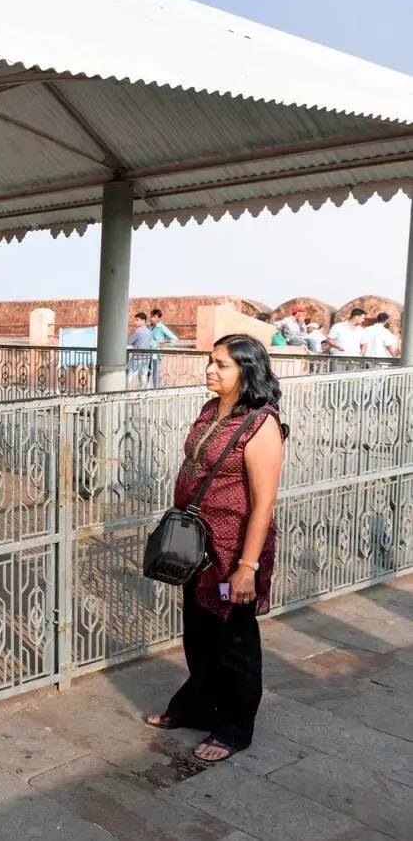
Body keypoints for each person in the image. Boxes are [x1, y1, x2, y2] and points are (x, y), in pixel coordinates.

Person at [145, 334, 287, 762]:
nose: (210, 369)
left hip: (233, 558)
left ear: (247, 370)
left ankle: (235, 727)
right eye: (211, 361)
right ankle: (198, 707)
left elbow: (263, 505)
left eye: (221, 364)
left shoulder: (262, 425)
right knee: (200, 632)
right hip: (197, 552)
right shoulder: (211, 410)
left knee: (234, 638)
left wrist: (246, 567)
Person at [148, 308, 181, 388]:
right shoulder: (149, 327)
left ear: (159, 318)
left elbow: (174, 338)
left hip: (156, 354)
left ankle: (156, 390)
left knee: (155, 372)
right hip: (147, 353)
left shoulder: (162, 327)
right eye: (152, 316)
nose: (152, 318)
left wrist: (162, 343)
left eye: (154, 317)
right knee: (146, 372)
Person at [126, 312, 153, 389]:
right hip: (146, 356)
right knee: (143, 377)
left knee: (129, 375)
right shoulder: (149, 332)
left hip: (137, 356)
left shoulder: (138, 331)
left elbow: (129, 342)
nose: (135, 322)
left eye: (137, 320)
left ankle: (124, 391)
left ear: (143, 321)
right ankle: (142, 394)